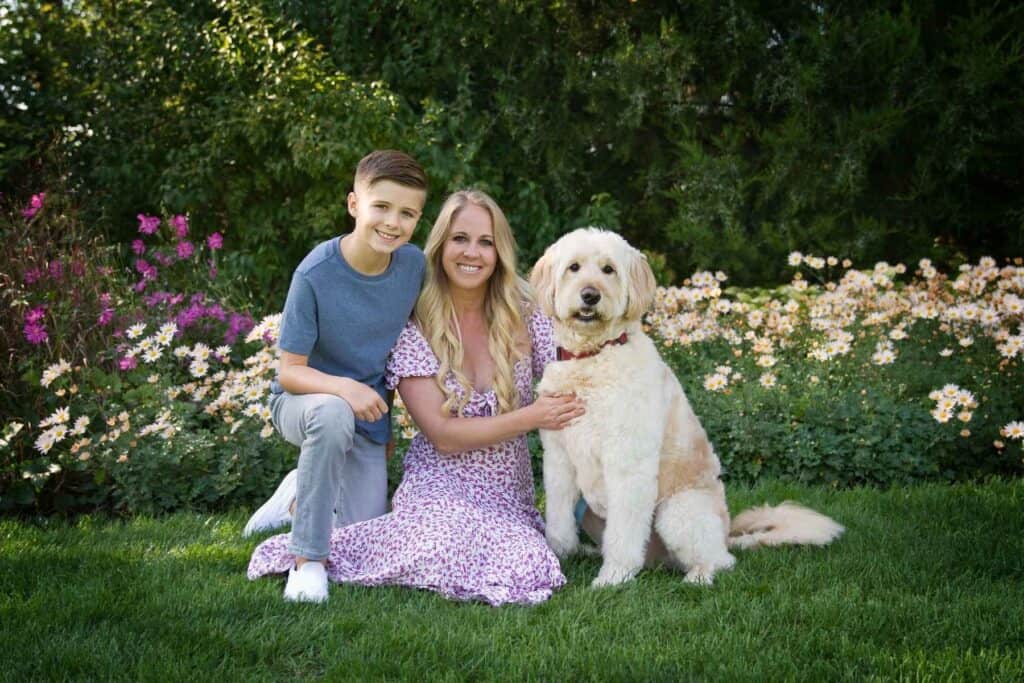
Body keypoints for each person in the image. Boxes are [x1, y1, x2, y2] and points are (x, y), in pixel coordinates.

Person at [247, 189, 584, 605]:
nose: (472, 253)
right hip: (439, 482)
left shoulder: (525, 312)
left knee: (528, 562)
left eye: (486, 242)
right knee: (439, 541)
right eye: (460, 239)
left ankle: (310, 495)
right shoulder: (415, 325)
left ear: (499, 252)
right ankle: (304, 512)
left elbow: (572, 374)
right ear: (440, 246)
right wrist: (532, 416)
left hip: (505, 492)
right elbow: (443, 435)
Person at [247, 150, 430, 603]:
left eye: (407, 213)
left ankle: (299, 494)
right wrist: (345, 389)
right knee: (332, 414)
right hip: (304, 403)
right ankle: (307, 562)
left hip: (367, 417)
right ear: (354, 205)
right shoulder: (314, 274)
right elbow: (290, 373)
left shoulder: (413, 267)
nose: (392, 223)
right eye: (381, 207)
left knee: (363, 533)